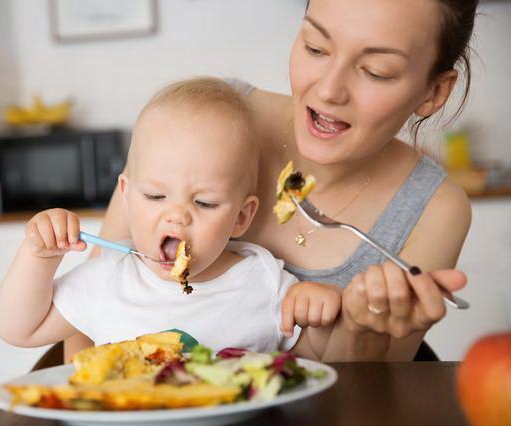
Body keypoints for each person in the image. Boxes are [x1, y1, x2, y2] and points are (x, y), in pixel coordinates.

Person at [66, 0, 477, 362]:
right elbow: (87, 317)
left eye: (376, 71)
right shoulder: (205, 120)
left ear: (434, 92)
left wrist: (359, 326)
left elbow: (371, 388)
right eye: (315, 47)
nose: (329, 90)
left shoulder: (435, 209)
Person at [0, 77, 342, 355]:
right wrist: (39, 255)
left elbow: (311, 365)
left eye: (204, 203)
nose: (176, 217)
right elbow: (19, 328)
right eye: (155, 196)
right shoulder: (109, 278)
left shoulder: (263, 281)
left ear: (241, 217)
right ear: (127, 197)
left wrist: (318, 319)